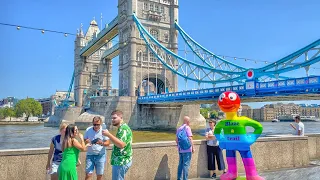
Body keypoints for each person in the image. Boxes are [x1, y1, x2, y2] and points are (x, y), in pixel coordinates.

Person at [102, 110, 133, 180]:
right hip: (122, 160)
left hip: (121, 161)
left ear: (121, 118)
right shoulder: (123, 128)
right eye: (112, 118)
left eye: (114, 118)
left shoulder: (123, 129)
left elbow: (121, 145)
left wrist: (108, 134)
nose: (112, 120)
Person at [175, 116, 195, 180]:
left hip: (180, 149)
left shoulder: (179, 128)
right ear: (187, 122)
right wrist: (193, 147)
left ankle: (179, 178)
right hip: (187, 149)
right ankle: (185, 179)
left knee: (180, 165)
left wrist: (179, 147)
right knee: (186, 165)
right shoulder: (187, 128)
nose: (189, 122)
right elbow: (190, 138)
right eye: (189, 121)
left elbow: (176, 140)